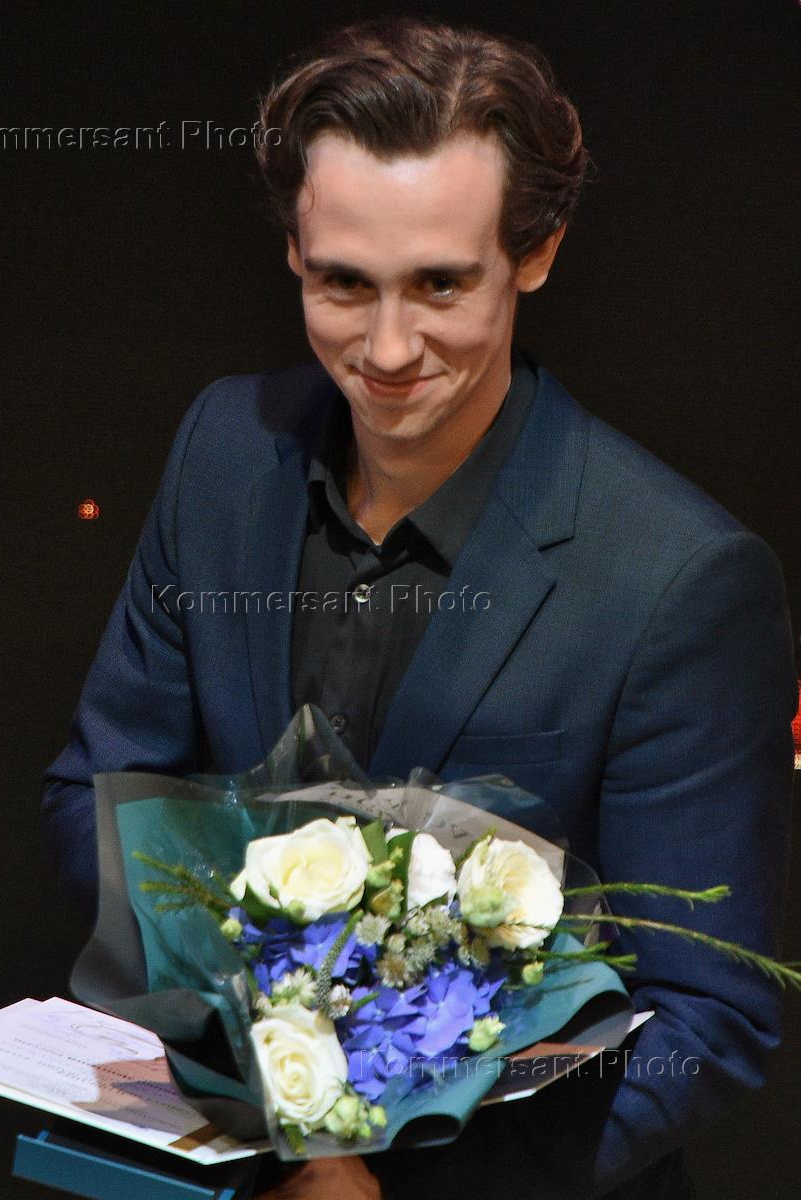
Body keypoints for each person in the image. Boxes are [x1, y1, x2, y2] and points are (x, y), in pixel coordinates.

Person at [41, 17, 796, 1200]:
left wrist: (392, 1181)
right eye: (344, 283)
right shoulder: (222, 451)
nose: (388, 349)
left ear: (536, 252)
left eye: (441, 284)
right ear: (295, 251)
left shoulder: (681, 577)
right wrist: (263, 1049)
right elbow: (93, 803)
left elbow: (708, 1017)